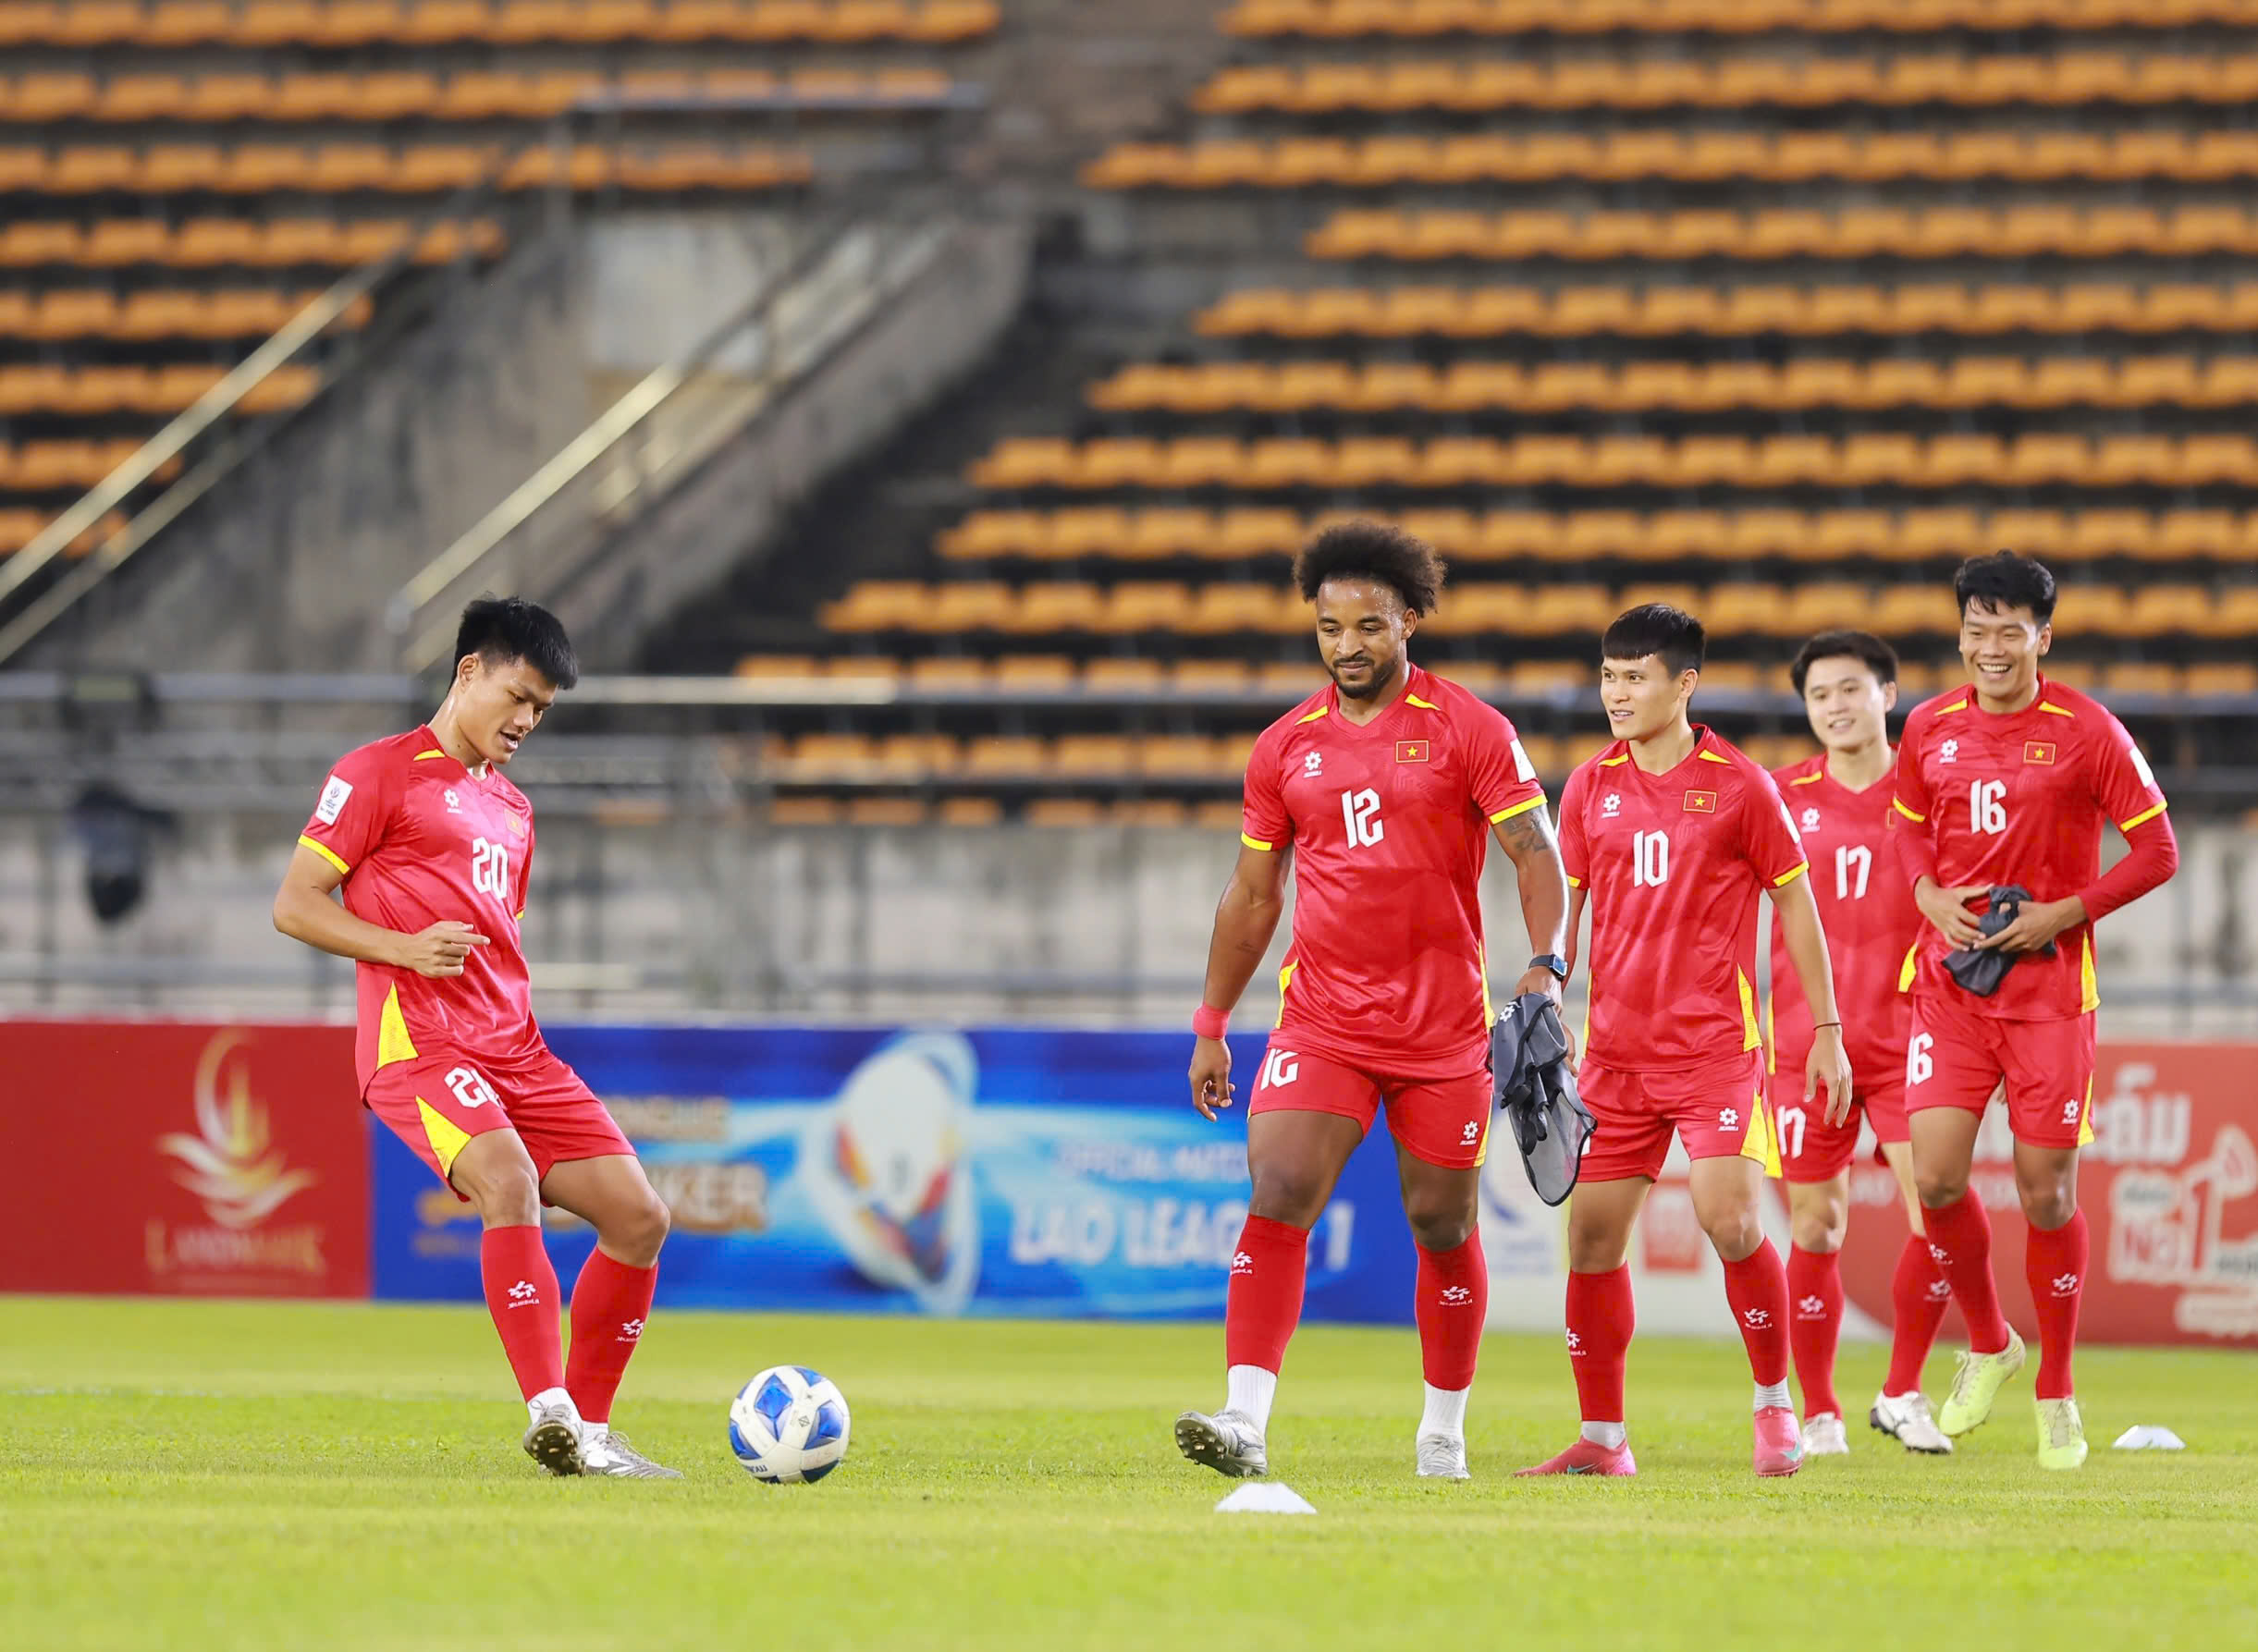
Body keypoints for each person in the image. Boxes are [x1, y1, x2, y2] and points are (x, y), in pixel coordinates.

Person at [1176, 520, 1572, 1482]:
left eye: (1367, 624)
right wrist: (1212, 1021)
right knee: (1277, 1193)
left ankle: (1442, 1427)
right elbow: (1253, 895)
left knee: (1442, 1225)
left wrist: (1547, 965)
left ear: (1410, 623)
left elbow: (1536, 855)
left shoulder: (1472, 729)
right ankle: (1245, 1417)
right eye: (1328, 627)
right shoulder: (1284, 748)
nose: (1347, 644)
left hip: (1443, 1033)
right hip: (1322, 1021)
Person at [273, 597, 678, 1478]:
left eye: (542, 709)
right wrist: (402, 949)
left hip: (516, 1048)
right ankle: (549, 1408)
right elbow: (294, 903)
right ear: (467, 673)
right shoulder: (376, 773)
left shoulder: (516, 814)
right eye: (518, 696)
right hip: (416, 1045)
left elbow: (497, 941)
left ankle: (592, 1437)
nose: (527, 720)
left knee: (641, 1216)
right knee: (509, 1178)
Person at [1519, 605, 1852, 1480]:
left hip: (1715, 1052)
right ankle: (1603, 1437)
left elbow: (1796, 904)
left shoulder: (1742, 786)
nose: (1616, 693)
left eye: (1635, 677)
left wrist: (1824, 1028)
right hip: (1614, 1057)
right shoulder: (1589, 787)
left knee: (1730, 1216)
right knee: (1590, 1243)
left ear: (1684, 684)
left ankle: (1776, 1405)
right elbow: (1568, 906)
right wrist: (1548, 982)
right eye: (1608, 675)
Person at [1891, 553, 2178, 1469]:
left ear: (2043, 636)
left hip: (2052, 991)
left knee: (2046, 1189)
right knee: (1935, 1177)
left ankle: (2057, 1387)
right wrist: (1929, 894)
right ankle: (1990, 1341)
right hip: (1950, 984)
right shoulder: (1929, 725)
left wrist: (2067, 910)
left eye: (2009, 631)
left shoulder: (2088, 729)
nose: (1991, 648)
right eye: (1976, 631)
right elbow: (1904, 827)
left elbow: (2158, 847)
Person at [1769, 631, 1950, 1456]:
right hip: (1806, 1046)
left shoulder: (1931, 793)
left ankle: (1903, 1390)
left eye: (1850, 689)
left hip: (1916, 1038)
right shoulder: (1775, 798)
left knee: (1938, 1213)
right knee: (1816, 1227)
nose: (1835, 706)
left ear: (1887, 693)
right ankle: (1819, 1410)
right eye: (1819, 695)